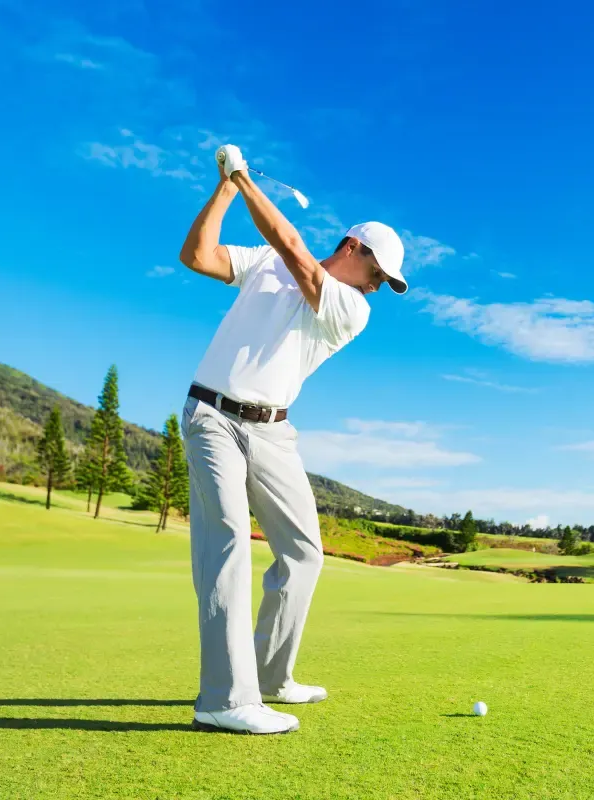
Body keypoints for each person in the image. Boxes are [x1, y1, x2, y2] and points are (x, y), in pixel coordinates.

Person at [177, 144, 407, 734]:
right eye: (378, 272)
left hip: (274, 432)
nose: (380, 286)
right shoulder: (264, 264)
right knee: (226, 539)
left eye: (386, 281)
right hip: (214, 418)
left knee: (304, 553)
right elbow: (197, 256)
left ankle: (271, 677)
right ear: (354, 248)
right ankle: (224, 700)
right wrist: (226, 189)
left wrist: (246, 180)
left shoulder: (351, 308)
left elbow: (298, 255)